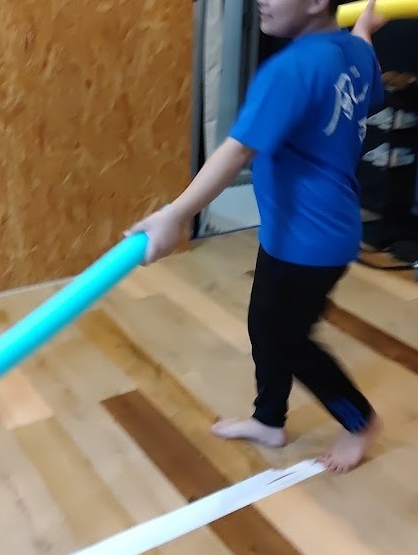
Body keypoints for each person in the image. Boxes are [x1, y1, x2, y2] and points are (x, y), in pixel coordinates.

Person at [125, 0, 387, 473]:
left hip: (311, 241)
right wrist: (365, 27)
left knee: (287, 339)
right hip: (301, 232)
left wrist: (175, 215)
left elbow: (238, 151)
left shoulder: (290, 69)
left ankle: (359, 421)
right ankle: (269, 420)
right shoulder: (354, 52)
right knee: (265, 326)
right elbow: (362, 63)